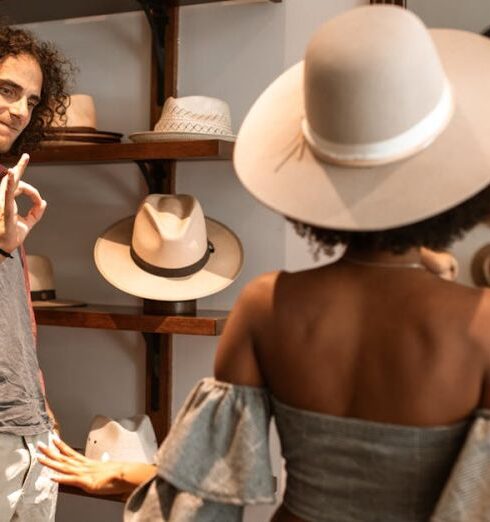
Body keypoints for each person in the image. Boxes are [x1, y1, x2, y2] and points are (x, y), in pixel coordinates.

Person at [37, 5, 490, 521]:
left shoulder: (268, 305)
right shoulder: (480, 323)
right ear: (449, 183)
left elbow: (204, 489)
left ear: (317, 172)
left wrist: (123, 473)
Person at [0, 23, 72, 521]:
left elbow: (16, 319)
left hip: (30, 434)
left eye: (31, 100)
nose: (21, 111)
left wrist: (40, 406)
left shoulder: (8, 192)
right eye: (6, 90)